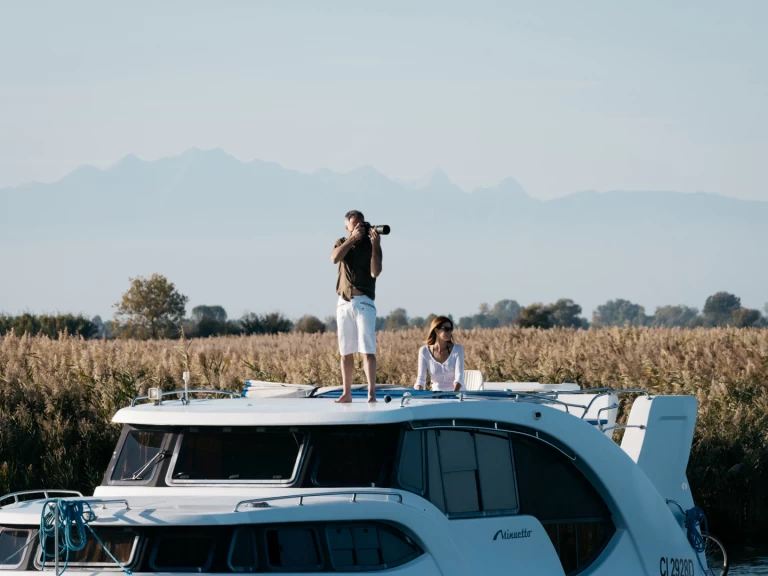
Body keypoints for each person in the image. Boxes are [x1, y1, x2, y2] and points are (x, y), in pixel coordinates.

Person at [330, 210, 383, 403]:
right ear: (347, 227)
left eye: (362, 224)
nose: (360, 228)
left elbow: (375, 272)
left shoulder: (370, 245)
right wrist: (352, 239)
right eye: (356, 225)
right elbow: (334, 258)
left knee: (367, 350)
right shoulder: (341, 242)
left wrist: (375, 245)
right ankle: (347, 393)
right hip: (344, 303)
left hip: (364, 303)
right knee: (345, 351)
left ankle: (371, 393)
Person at [414, 316, 464, 392]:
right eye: (446, 329)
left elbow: (459, 378)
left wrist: (453, 395)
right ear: (436, 330)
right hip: (436, 395)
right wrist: (418, 392)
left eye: (451, 329)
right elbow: (421, 379)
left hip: (457, 394)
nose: (449, 332)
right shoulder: (424, 351)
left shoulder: (458, 349)